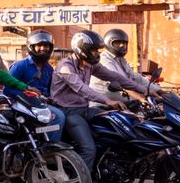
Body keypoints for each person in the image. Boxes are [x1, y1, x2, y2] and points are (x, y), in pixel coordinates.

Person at [51, 30, 150, 172]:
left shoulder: (91, 65)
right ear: (82, 49)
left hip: (85, 109)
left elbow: (116, 77)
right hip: (68, 112)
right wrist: (107, 101)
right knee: (89, 148)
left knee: (119, 126)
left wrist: (143, 90)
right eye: (93, 50)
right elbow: (82, 88)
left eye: (97, 50)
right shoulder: (66, 66)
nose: (97, 54)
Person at [5, 30, 64, 141]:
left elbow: (50, 90)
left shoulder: (48, 68)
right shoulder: (20, 65)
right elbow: (7, 90)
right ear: (31, 47)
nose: (43, 48)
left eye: (46, 45)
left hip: (41, 103)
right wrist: (26, 94)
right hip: (23, 105)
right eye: (39, 45)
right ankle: (51, 150)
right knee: (58, 116)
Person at [89, 29, 162, 104]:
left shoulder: (120, 60)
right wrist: (140, 97)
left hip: (121, 103)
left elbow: (135, 77)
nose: (122, 45)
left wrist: (159, 91)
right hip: (103, 105)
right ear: (108, 42)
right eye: (117, 42)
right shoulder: (104, 60)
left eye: (124, 43)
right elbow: (119, 82)